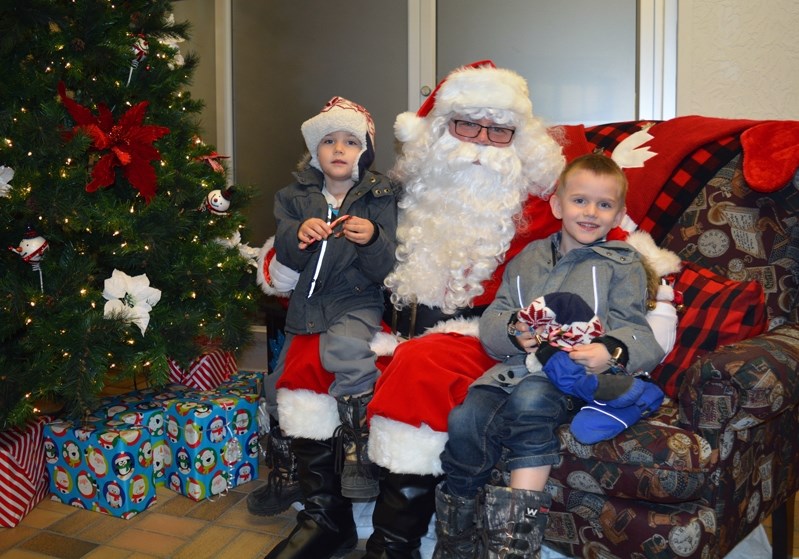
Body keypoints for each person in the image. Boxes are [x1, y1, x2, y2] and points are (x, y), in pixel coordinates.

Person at [258, 60, 566, 559]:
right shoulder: (401, 194)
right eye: (466, 125)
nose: (480, 143)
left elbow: (612, 239)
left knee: (419, 368)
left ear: (521, 142)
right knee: (308, 355)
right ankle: (325, 519)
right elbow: (325, 236)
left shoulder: (542, 207)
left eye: (498, 131)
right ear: (439, 133)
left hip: (480, 337)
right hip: (389, 320)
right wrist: (285, 258)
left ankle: (393, 544)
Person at [433, 153, 665, 558]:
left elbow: (639, 331)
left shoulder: (622, 265)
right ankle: (457, 537)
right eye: (580, 201)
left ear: (618, 215)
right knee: (465, 416)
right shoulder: (527, 259)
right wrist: (511, 331)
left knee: (531, 400)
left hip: (570, 376)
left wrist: (610, 350)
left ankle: (513, 544)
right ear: (558, 205)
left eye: (604, 204)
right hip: (512, 369)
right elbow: (496, 316)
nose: (591, 212)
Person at [248, 96, 398, 526]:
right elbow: (288, 260)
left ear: (363, 152)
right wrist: (298, 235)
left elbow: (385, 268)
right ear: (315, 151)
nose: (338, 148)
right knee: (278, 382)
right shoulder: (293, 197)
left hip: (356, 298)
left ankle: (358, 454)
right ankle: (290, 469)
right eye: (328, 140)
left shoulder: (379, 194)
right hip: (306, 305)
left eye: (350, 141)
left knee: (345, 351)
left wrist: (371, 238)